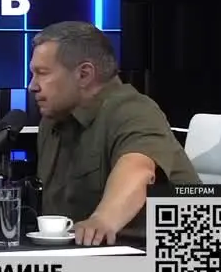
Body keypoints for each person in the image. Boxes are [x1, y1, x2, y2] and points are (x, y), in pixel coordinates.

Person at [28, 21, 201, 246]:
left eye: (42, 73)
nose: (32, 86)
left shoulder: (134, 110)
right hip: (97, 252)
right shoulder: (53, 122)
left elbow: (138, 170)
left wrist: (102, 220)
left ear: (84, 74)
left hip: (186, 253)